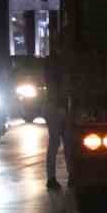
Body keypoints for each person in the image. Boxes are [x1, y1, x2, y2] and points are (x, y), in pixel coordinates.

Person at [44, 46, 67, 190]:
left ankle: (53, 178)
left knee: (59, 143)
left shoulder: (52, 64)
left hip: (56, 106)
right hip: (56, 106)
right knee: (59, 143)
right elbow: (54, 87)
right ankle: (52, 178)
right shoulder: (56, 65)